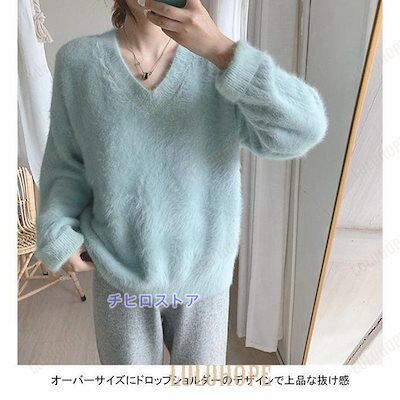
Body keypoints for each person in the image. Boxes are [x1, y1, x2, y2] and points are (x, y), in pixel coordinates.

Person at [36, 0, 328, 365]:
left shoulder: (219, 63)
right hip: (119, 272)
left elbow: (303, 130)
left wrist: (221, 50)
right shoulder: (79, 63)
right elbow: (66, 162)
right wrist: (58, 233)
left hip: (203, 277)